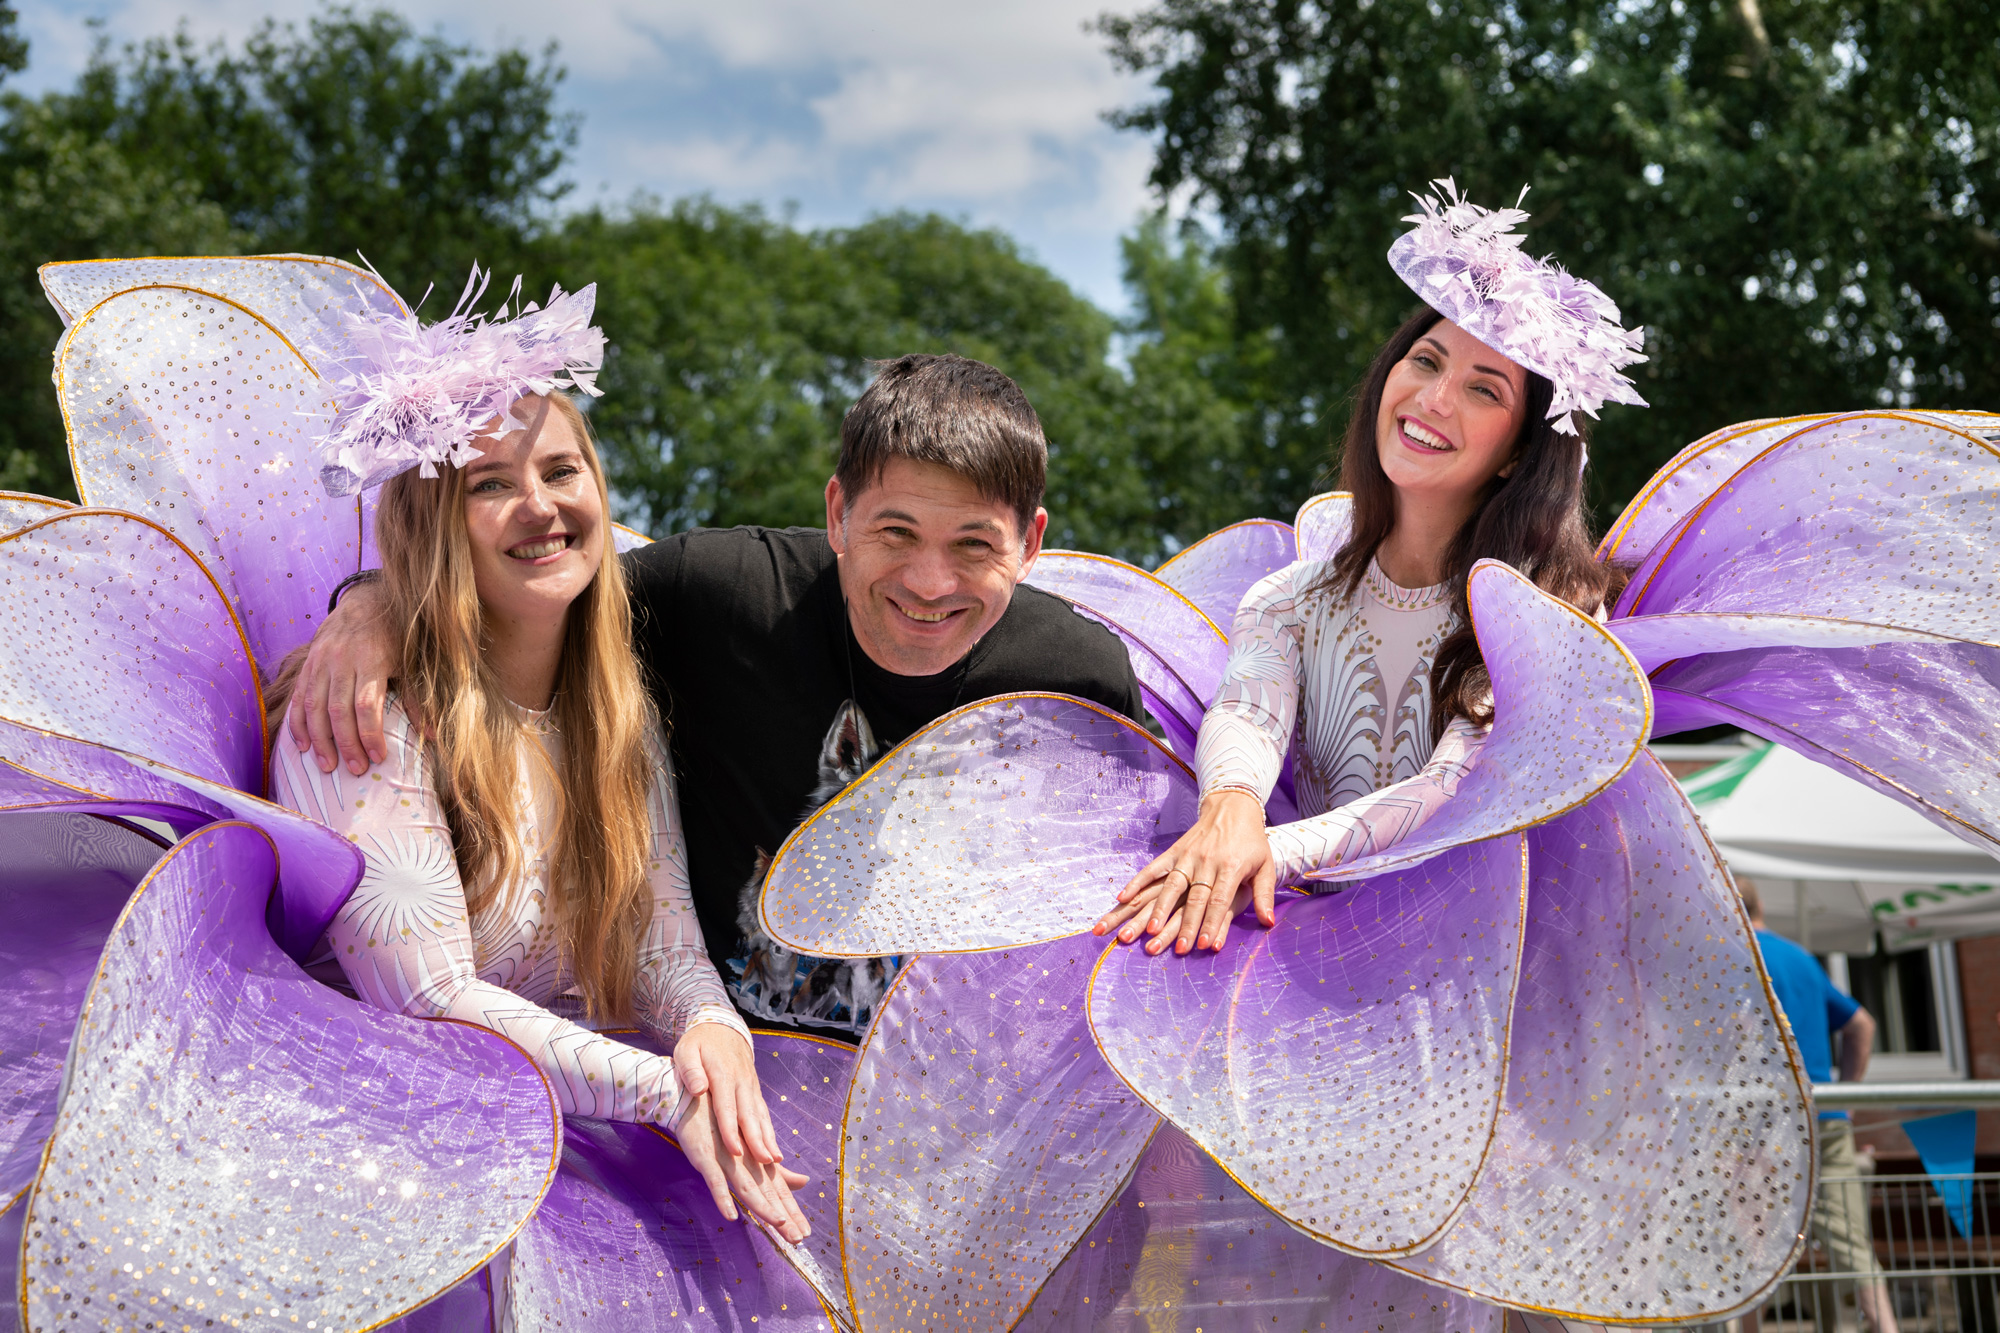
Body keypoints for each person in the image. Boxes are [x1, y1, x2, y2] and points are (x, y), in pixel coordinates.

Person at [287, 352, 1149, 1042]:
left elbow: (1134, 895)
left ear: (1031, 543)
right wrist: (374, 606)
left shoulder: (1078, 682)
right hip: (727, 1066)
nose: (930, 581)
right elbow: (540, 588)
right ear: (838, 513)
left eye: (974, 545)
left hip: (934, 1107)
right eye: (896, 532)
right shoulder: (718, 590)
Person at [269, 286, 812, 1242]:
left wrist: (712, 1031)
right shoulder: (362, 711)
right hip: (367, 1175)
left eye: (562, 471)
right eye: (489, 485)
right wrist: (672, 1090)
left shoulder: (619, 719)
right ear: (436, 525)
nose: (540, 506)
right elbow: (427, 1000)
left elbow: (662, 948)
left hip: (554, 1155)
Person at [1095, 179, 1635, 954]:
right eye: (1425, 360)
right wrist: (1232, 805)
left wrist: (1258, 851)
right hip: (1306, 964)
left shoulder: (1550, 613)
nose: (1436, 397)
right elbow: (1248, 713)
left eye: (1484, 389)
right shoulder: (1287, 600)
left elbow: (1453, 788)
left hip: (1482, 974)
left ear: (1519, 450)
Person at [1742, 878, 1900, 1333]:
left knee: (1756, 1242)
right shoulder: (1801, 958)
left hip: (1762, 1121)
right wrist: (1846, 1098)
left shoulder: (1734, 956)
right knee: (1850, 1238)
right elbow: (1862, 1025)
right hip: (1824, 1114)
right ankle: (1886, 1325)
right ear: (1762, 904)